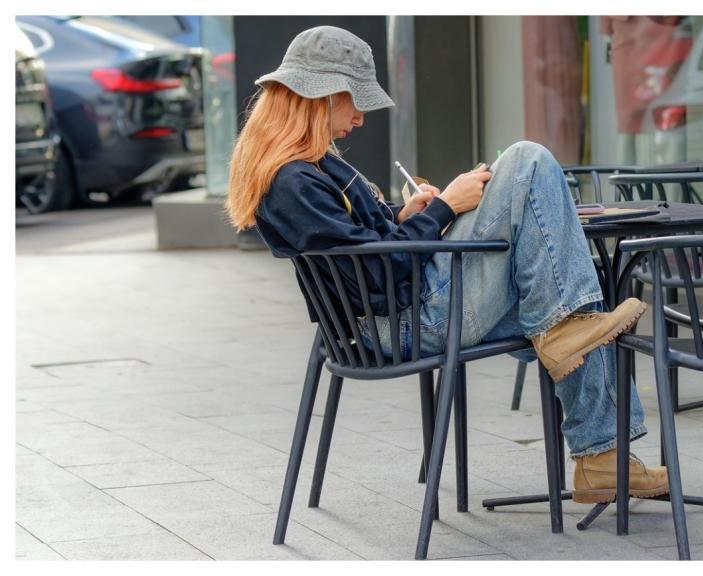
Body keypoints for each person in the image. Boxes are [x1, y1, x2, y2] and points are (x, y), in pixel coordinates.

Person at [227, 25, 668, 503]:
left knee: (568, 304)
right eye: (354, 101)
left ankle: (602, 457)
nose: (359, 118)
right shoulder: (294, 181)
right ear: (322, 96)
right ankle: (591, 418)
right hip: (406, 322)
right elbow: (375, 272)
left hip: (405, 310)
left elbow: (358, 247)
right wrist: (444, 208)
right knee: (527, 162)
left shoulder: (300, 170)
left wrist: (402, 215)